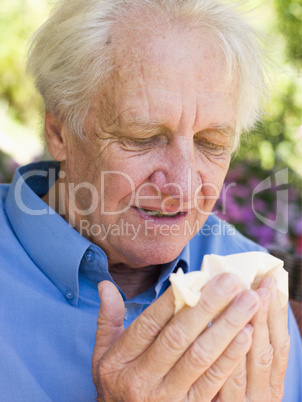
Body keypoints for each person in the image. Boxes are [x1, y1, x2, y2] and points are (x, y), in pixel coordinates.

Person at [0, 0, 301, 400]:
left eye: (211, 144)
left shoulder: (252, 287)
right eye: (142, 137)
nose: (182, 187)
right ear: (59, 131)